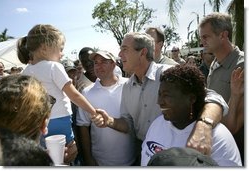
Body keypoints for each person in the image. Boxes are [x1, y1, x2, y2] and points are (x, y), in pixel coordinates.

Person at [92, 32, 228, 165]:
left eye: (124, 50)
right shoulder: (127, 86)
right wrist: (109, 121)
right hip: (143, 152)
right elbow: (129, 123)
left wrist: (204, 126)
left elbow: (213, 97)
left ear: (142, 52)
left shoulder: (169, 75)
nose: (120, 55)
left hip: (177, 155)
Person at [16, 24, 98, 164]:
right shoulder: (54, 67)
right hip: (60, 121)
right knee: (67, 156)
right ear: (44, 48)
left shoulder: (26, 71)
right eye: (60, 49)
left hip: (38, 124)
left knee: (48, 159)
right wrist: (93, 112)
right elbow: (74, 95)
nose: (62, 54)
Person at [141, 64, 241, 166]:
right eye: (160, 94)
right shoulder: (157, 124)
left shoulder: (218, 137)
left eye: (166, 95)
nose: (159, 102)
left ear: (191, 99)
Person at [199, 12, 244, 164]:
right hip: (215, 144)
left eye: (206, 37)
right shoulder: (214, 63)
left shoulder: (242, 66)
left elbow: (235, 124)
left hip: (235, 150)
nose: (202, 41)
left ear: (223, 36)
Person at [76, 50, 135, 166]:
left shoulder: (129, 86)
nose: (98, 66)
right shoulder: (87, 93)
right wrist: (88, 158)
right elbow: (83, 126)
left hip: (131, 160)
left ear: (113, 64)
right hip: (100, 162)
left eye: (103, 62)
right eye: (96, 63)